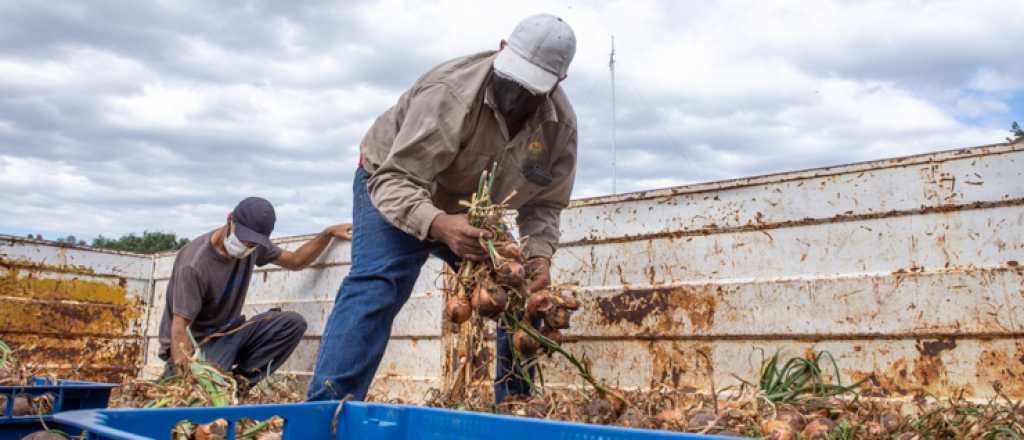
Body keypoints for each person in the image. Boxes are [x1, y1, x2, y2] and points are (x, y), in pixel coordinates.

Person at [308, 13, 577, 403]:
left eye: (530, 89)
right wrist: (439, 224)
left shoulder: (559, 128)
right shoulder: (448, 94)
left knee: (520, 290)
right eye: (512, 81)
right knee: (377, 285)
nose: (516, 96)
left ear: (557, 82)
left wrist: (539, 260)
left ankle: (517, 408)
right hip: (395, 184)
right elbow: (393, 179)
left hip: (473, 209)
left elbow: (543, 204)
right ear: (502, 50)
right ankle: (326, 413)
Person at [157, 196, 352, 389]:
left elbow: (295, 261)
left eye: (253, 243)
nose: (247, 247)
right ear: (230, 220)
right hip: (198, 346)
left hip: (228, 333)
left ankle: (238, 387)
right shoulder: (194, 265)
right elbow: (180, 328)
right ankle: (188, 380)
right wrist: (185, 380)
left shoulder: (253, 247)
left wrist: (327, 233)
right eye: (244, 240)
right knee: (204, 378)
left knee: (292, 324)